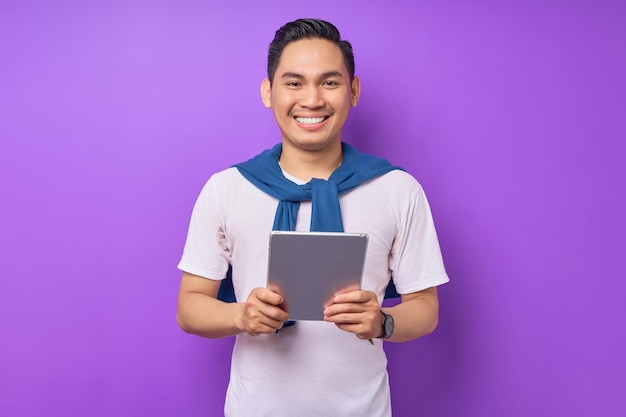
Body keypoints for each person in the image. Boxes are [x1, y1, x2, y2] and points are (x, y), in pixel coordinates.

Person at [176, 18, 449, 417]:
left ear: (353, 91)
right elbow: (189, 305)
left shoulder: (397, 189)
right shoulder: (227, 189)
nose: (312, 99)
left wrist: (382, 322)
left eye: (329, 82)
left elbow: (425, 307)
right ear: (268, 92)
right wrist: (241, 314)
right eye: (293, 83)